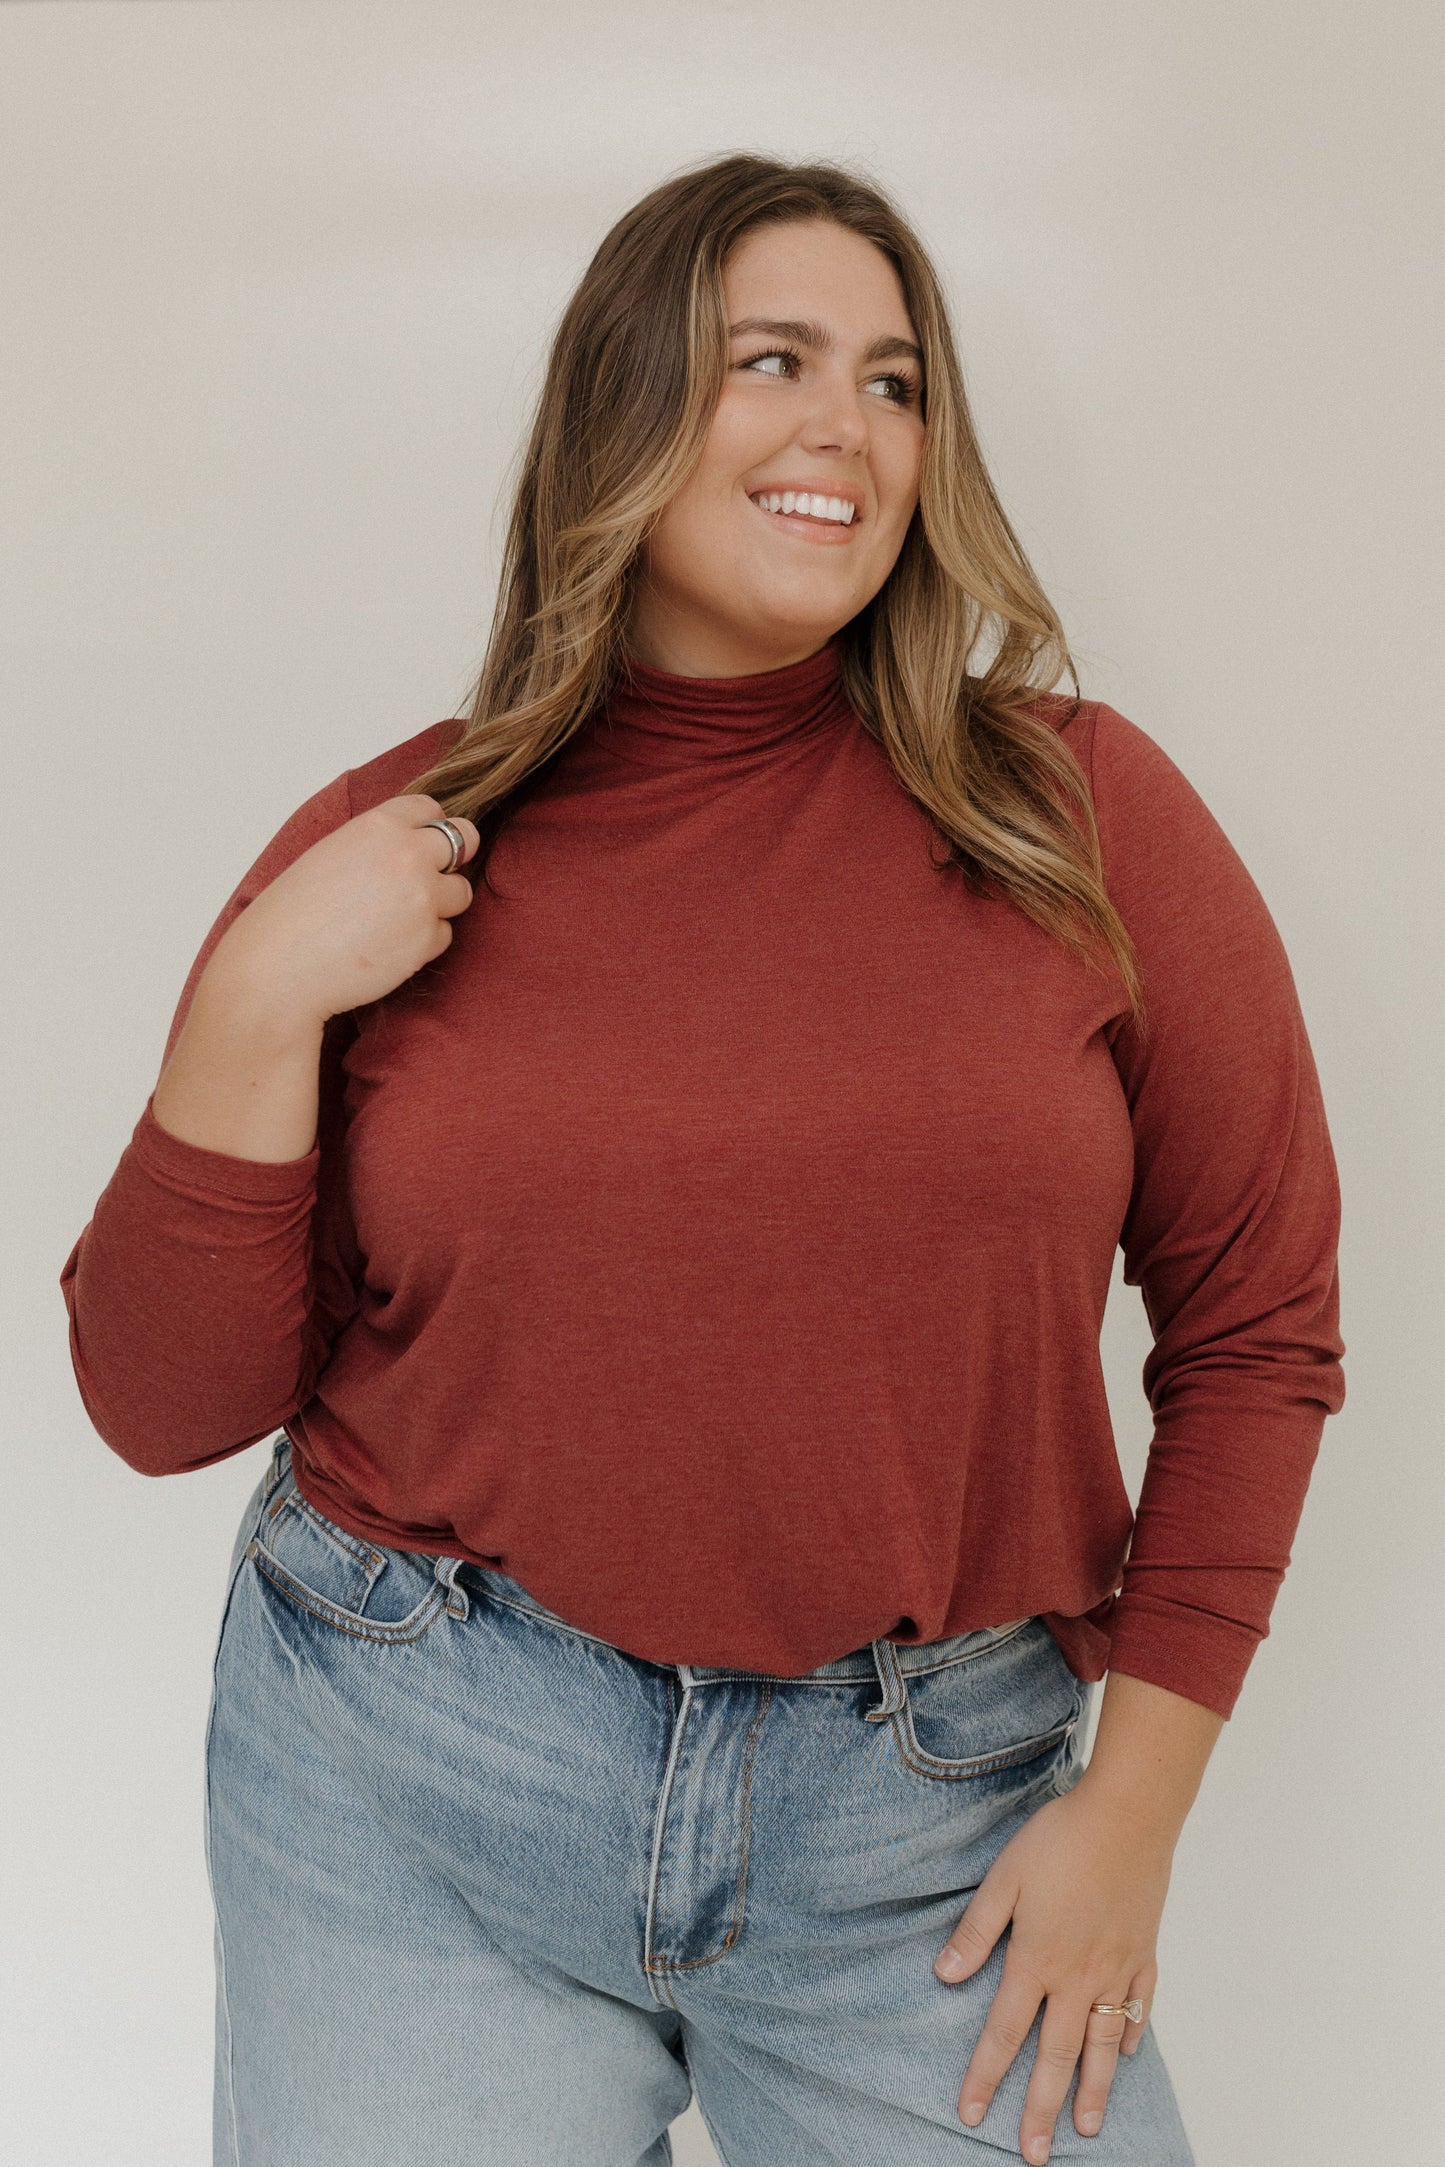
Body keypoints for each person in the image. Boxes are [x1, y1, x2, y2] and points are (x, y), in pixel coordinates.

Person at [59, 153, 1345, 2167]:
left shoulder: (1079, 816)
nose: (850, 424)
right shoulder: (399, 843)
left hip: (927, 1815)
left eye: (898, 381)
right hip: (414, 1767)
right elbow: (162, 1404)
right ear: (625, 405)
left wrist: (1138, 1809)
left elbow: (1259, 1324)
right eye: (776, 360)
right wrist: (246, 1009)